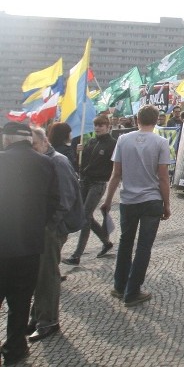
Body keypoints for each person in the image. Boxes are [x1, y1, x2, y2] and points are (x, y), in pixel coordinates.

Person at [100, 105, 171, 307]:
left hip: (128, 200)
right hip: (151, 200)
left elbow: (116, 174)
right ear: (157, 120)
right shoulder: (161, 142)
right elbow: (163, 178)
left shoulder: (123, 140)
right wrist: (167, 204)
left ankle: (119, 285)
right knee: (143, 246)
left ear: (137, 119)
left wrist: (107, 200)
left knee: (125, 243)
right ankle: (133, 291)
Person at [0, 122, 58, 364]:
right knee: (21, 300)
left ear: (7, 140)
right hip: (29, 244)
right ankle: (15, 348)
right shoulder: (45, 163)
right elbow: (53, 203)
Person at [27, 128, 84, 343]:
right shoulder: (42, 160)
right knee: (39, 274)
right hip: (41, 227)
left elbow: (65, 199)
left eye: (33, 146)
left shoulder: (57, 162)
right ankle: (37, 316)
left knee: (47, 275)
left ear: (44, 142)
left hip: (52, 229)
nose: (32, 151)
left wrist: (49, 226)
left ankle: (48, 321)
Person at [62, 115, 116, 266]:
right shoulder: (91, 141)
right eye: (96, 125)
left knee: (85, 217)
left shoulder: (112, 144)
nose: (98, 128)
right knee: (87, 216)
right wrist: (78, 151)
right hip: (85, 181)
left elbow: (115, 165)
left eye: (101, 125)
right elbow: (81, 163)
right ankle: (106, 242)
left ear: (108, 127)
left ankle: (76, 255)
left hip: (98, 183)